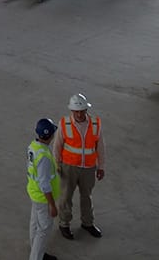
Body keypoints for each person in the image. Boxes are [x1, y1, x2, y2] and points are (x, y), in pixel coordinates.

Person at [51, 92, 105, 240]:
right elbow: (57, 146)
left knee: (87, 196)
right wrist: (56, 164)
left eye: (82, 111)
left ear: (86, 110)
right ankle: (64, 224)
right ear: (72, 111)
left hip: (88, 167)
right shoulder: (64, 124)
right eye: (77, 112)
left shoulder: (95, 123)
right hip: (68, 167)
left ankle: (88, 223)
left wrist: (101, 166)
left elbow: (100, 146)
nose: (80, 115)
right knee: (66, 196)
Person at [27, 118, 61, 260]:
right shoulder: (44, 157)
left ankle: (36, 251)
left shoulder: (34, 147)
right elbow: (44, 184)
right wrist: (52, 205)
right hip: (43, 198)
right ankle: (36, 257)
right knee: (44, 229)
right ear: (51, 135)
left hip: (34, 193)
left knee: (35, 224)